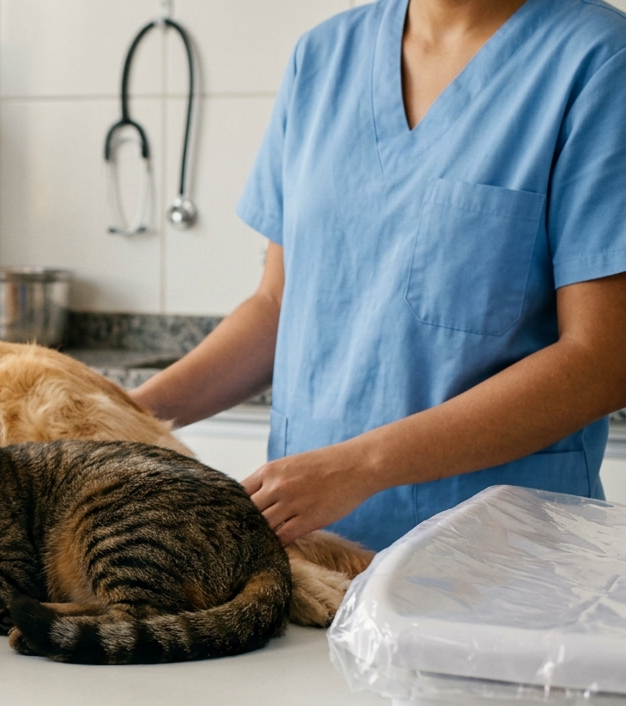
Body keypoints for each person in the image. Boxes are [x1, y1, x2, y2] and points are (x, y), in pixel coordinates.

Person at [131, 0, 626, 551]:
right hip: (315, 552)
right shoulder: (320, 58)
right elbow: (277, 305)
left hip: (499, 560)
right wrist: (125, 416)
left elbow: (602, 361)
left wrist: (360, 468)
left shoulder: (598, 59)